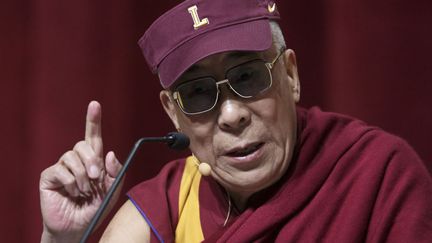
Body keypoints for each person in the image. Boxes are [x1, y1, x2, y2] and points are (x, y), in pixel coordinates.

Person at [39, 0, 432, 242]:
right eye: (197, 94)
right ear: (173, 113)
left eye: (248, 76)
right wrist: (62, 241)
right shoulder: (170, 203)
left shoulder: (377, 174)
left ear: (290, 75)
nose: (231, 114)